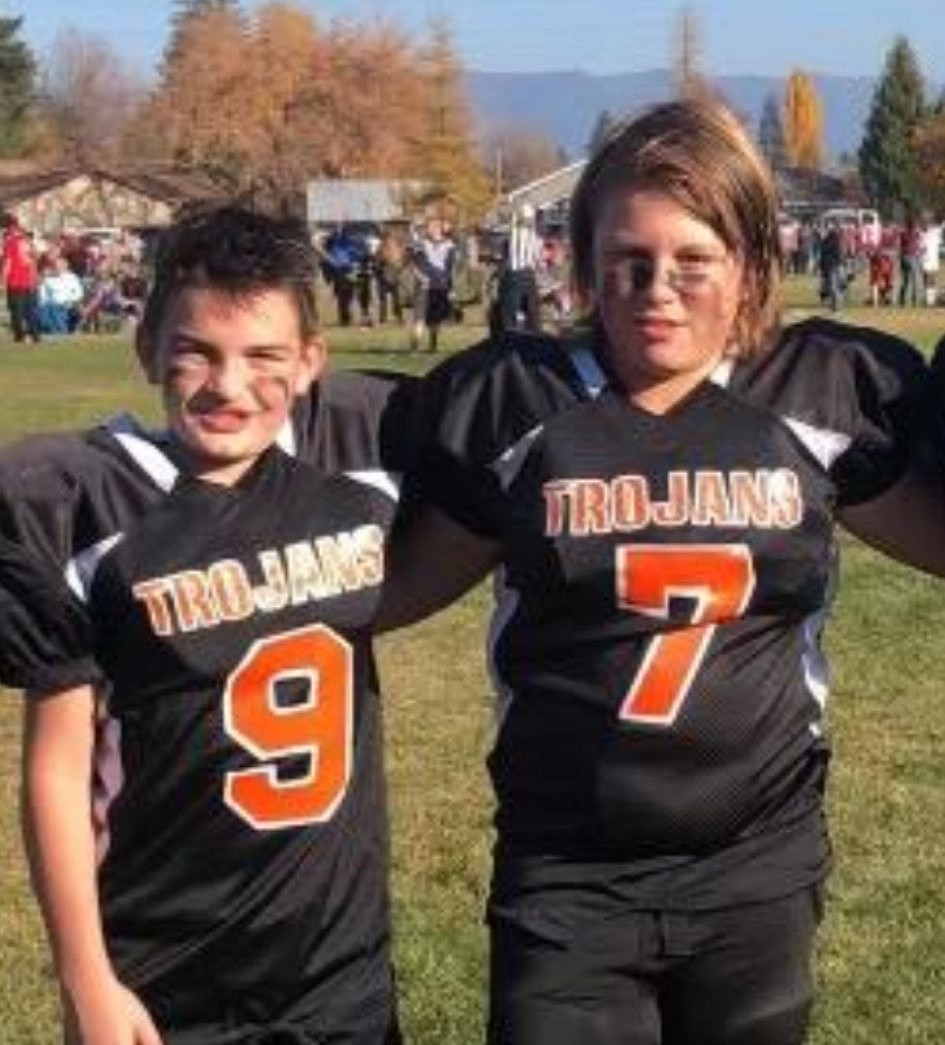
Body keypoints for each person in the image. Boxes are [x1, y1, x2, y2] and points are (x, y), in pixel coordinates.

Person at [382, 97, 945, 1045]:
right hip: (566, 873)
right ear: (584, 263)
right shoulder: (517, 405)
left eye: (694, 261)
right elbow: (393, 588)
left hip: (755, 867)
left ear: (752, 265)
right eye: (628, 261)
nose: (658, 288)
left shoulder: (820, 394)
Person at [0, 206, 410, 1045]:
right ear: (147, 345)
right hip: (166, 968)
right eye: (196, 352)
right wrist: (87, 981)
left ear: (308, 364)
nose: (228, 386)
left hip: (339, 965)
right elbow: (56, 769)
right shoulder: (84, 508)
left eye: (263, 357)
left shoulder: (356, 476)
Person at [493, 204, 543, 335]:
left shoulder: (511, 233)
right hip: (529, 276)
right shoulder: (536, 237)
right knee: (532, 312)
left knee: (509, 312)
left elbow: (501, 254)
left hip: (514, 275)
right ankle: (535, 338)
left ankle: (509, 339)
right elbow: (539, 262)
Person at [408, 217, 455, 352]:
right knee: (419, 317)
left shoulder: (450, 245)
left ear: (441, 228)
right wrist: (420, 276)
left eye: (435, 226)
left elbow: (449, 268)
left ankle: (432, 345)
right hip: (424, 286)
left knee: (435, 319)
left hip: (440, 286)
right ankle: (414, 346)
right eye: (429, 227)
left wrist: (451, 288)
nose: (431, 229)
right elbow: (413, 263)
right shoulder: (421, 244)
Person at [1, 212, 42, 343]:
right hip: (30, 280)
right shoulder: (27, 238)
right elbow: (36, 256)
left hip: (15, 280)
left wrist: (2, 281)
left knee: (16, 310)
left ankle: (19, 337)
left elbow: (7, 262)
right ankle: (35, 336)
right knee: (30, 310)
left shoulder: (10, 240)